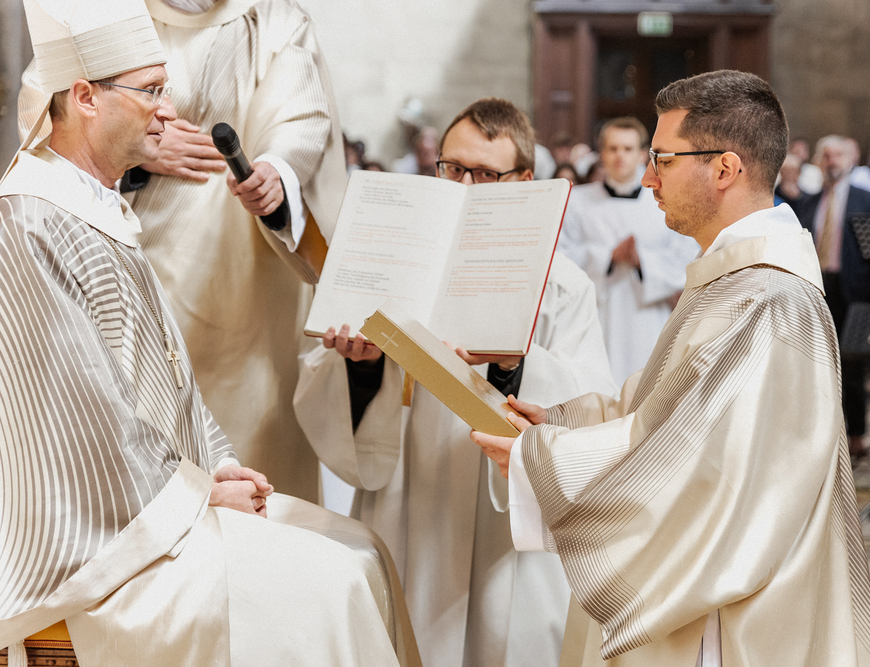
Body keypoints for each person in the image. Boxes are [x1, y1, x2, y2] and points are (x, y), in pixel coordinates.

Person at [0, 1, 415, 664]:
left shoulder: (98, 207)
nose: (171, 111)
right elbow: (83, 426)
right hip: (97, 547)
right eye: (152, 92)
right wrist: (196, 496)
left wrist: (217, 465)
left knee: (365, 554)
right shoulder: (32, 220)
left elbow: (170, 381)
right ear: (84, 97)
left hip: (159, 498)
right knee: (335, 586)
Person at [471, 70, 870, 667]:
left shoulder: (766, 298)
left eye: (662, 159)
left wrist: (546, 459)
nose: (647, 177)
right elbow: (662, 406)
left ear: (725, 169)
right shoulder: (734, 277)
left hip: (729, 619)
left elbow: (702, 469)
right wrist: (559, 423)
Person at [294, 98, 618, 667]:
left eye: (485, 175)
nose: (465, 187)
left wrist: (511, 367)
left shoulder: (563, 288)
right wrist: (362, 367)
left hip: (506, 538)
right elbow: (332, 398)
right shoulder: (396, 272)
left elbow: (586, 409)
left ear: (523, 183)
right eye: (453, 169)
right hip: (409, 507)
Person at [18, 0, 348, 502]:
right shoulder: (104, 9)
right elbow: (49, 103)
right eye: (154, 91)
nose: (165, 107)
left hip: (244, 276)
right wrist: (141, 149)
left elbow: (300, 115)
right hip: (130, 247)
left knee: (248, 464)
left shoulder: (272, 17)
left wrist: (276, 172)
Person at [557, 116, 700, 385]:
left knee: (644, 387)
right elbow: (560, 258)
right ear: (602, 154)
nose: (619, 156)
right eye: (612, 148)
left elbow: (686, 257)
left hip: (647, 317)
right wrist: (607, 256)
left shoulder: (664, 201)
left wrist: (641, 260)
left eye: (627, 149)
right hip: (596, 314)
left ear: (642, 155)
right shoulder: (576, 201)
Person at [795, 135, 870, 457]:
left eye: (837, 155)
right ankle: (817, 432)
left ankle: (855, 432)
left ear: (849, 160)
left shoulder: (867, 199)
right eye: (827, 156)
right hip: (816, 288)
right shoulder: (807, 202)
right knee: (814, 361)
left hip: (853, 289)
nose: (832, 161)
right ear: (819, 161)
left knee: (853, 364)